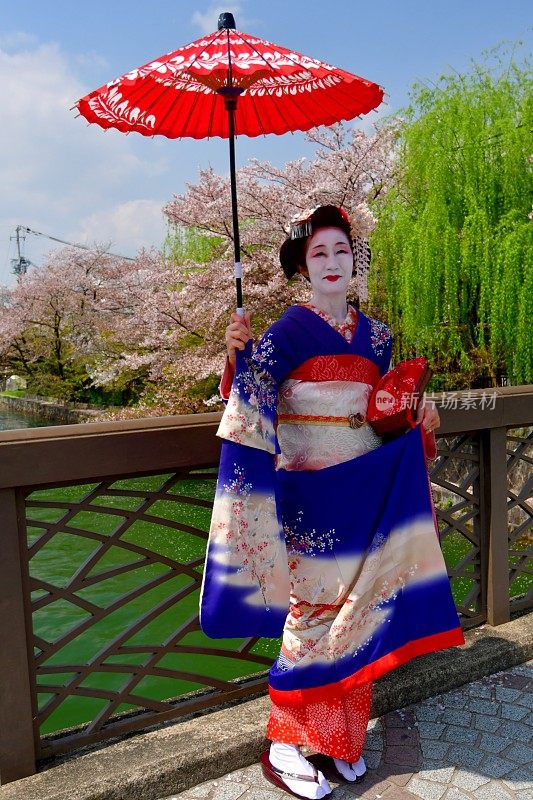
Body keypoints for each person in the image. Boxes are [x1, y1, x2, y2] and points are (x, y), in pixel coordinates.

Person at [200, 205, 464, 799]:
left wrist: (419, 413)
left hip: (366, 486)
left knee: (360, 611)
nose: (331, 262)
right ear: (303, 267)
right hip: (308, 492)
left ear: (354, 259)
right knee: (314, 612)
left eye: (341, 250)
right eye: (318, 253)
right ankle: (285, 744)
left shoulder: (378, 336)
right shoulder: (288, 331)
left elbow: (388, 408)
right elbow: (250, 397)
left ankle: (337, 741)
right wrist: (237, 352)